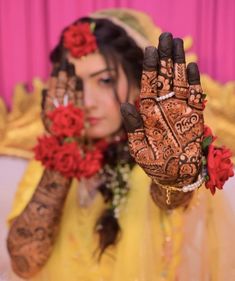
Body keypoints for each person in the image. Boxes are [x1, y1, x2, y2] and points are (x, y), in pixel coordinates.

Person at [6, 9, 235, 281]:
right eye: (77, 84)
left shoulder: (163, 156)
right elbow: (25, 265)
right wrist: (63, 147)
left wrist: (173, 179)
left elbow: (170, 202)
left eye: (105, 81)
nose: (87, 101)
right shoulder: (50, 162)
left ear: (140, 83)